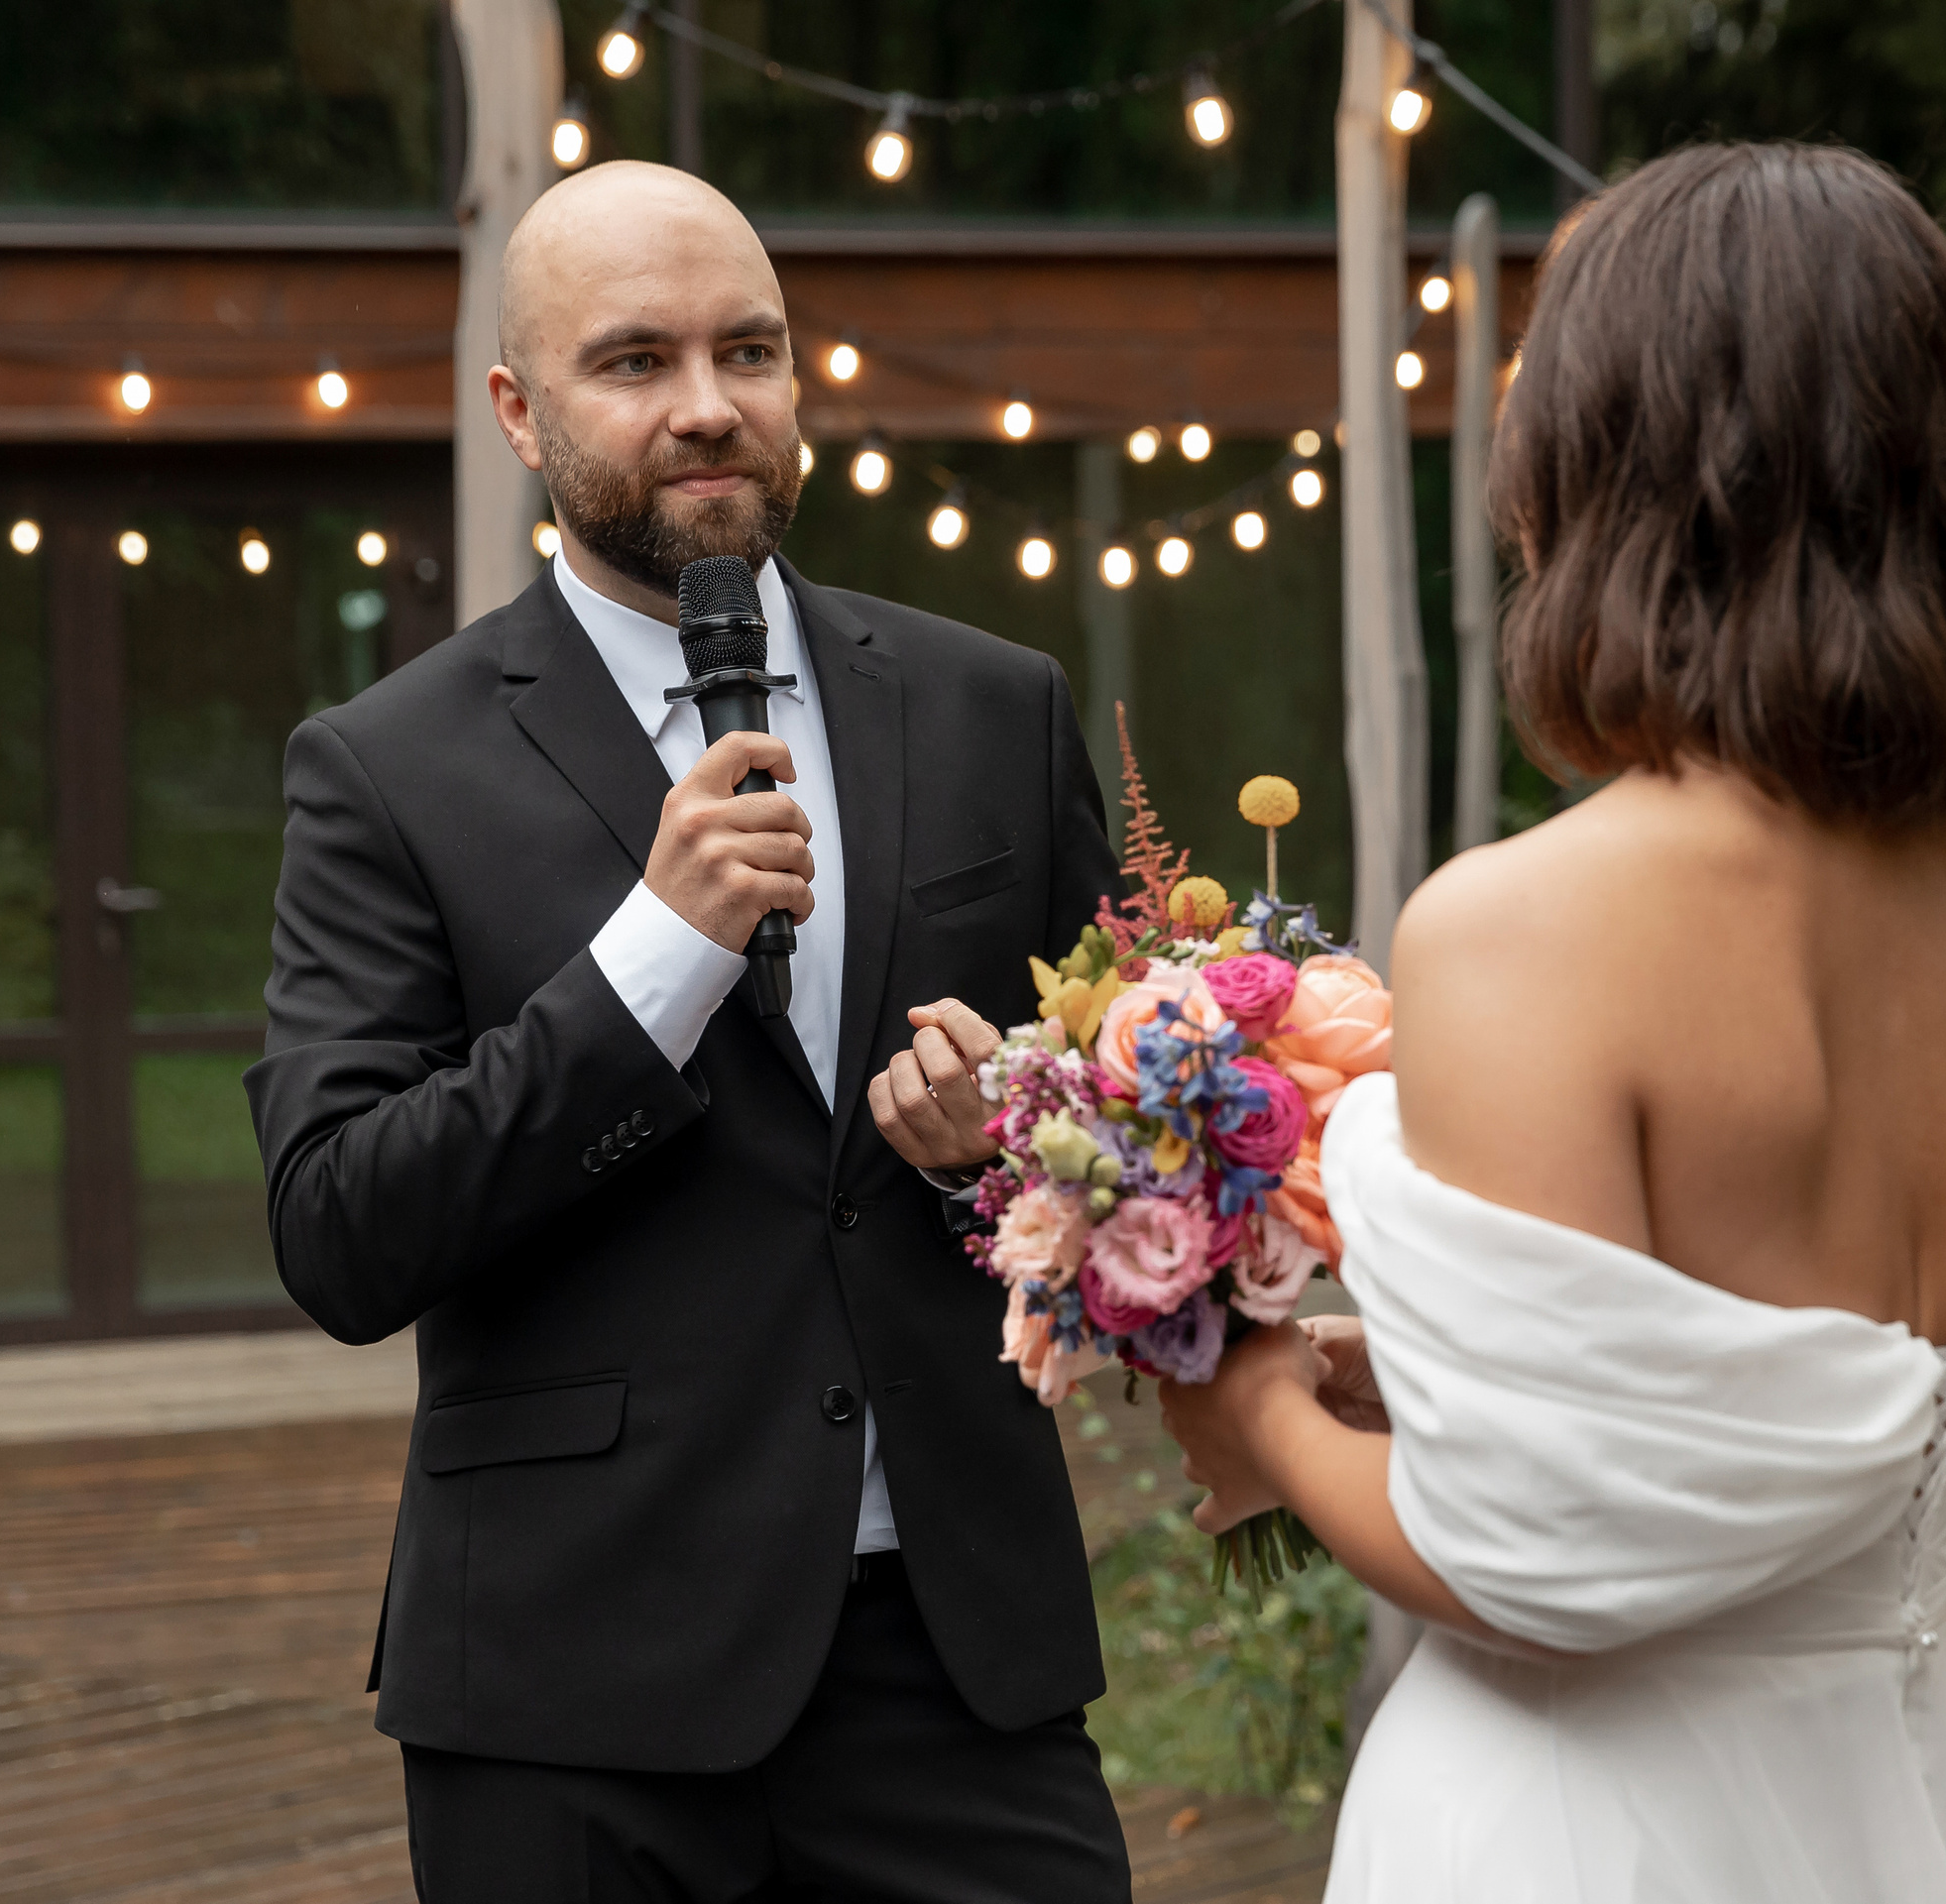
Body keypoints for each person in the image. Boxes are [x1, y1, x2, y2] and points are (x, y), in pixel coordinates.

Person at [1161, 143, 1946, 1902]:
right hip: (1905, 1803)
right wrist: (1463, 1382)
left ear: (1605, 468)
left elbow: (1519, 1555)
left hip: (1589, 1828)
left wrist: (1263, 1416)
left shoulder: (1522, 921)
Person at [244, 162, 1129, 1900]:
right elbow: (340, 1232)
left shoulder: (991, 705)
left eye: (753, 351)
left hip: (961, 1666)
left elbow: (1127, 1142)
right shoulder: (384, 768)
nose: (711, 407)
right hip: (577, 1686)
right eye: (636, 361)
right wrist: (652, 957)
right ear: (519, 409)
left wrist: (1014, 1128)